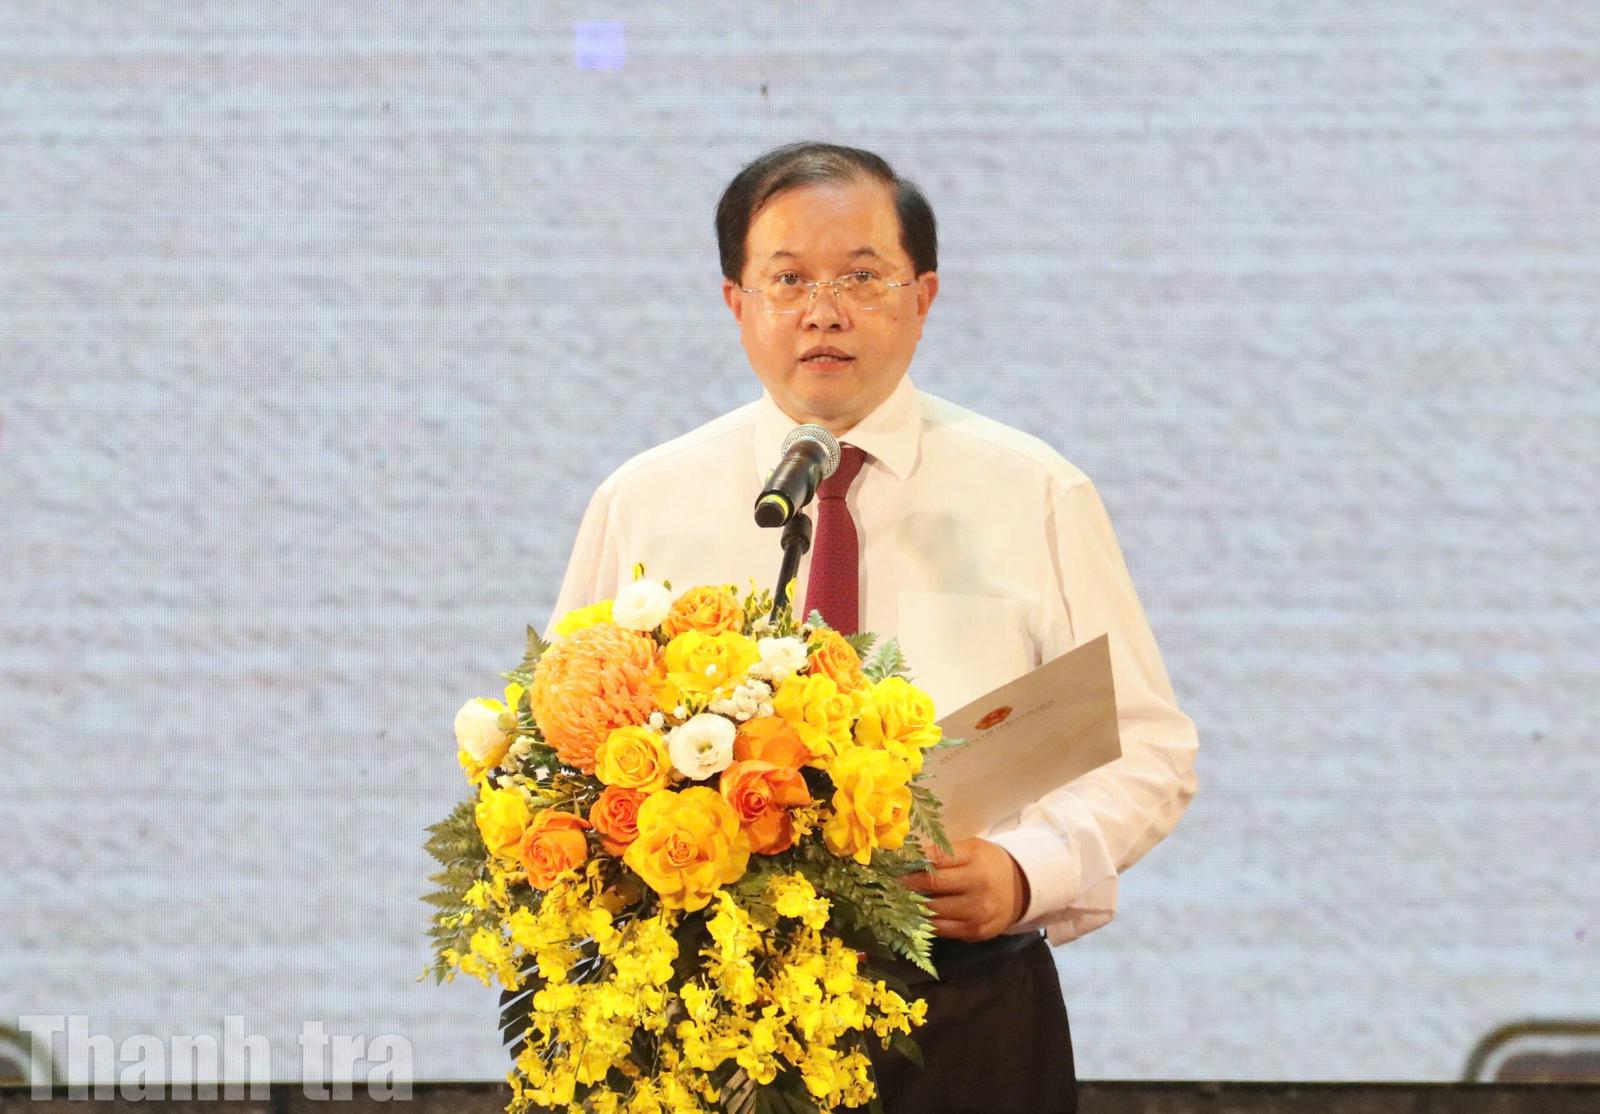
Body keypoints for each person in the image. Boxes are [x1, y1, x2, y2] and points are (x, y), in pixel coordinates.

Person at [543, 142, 1199, 1114]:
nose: (824, 311)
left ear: (923, 296)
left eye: (861, 277)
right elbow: (561, 751)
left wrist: (1028, 872)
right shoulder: (645, 501)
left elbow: (1147, 747)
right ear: (736, 303)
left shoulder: (1034, 492)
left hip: (961, 1001)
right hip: (709, 1009)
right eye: (788, 280)